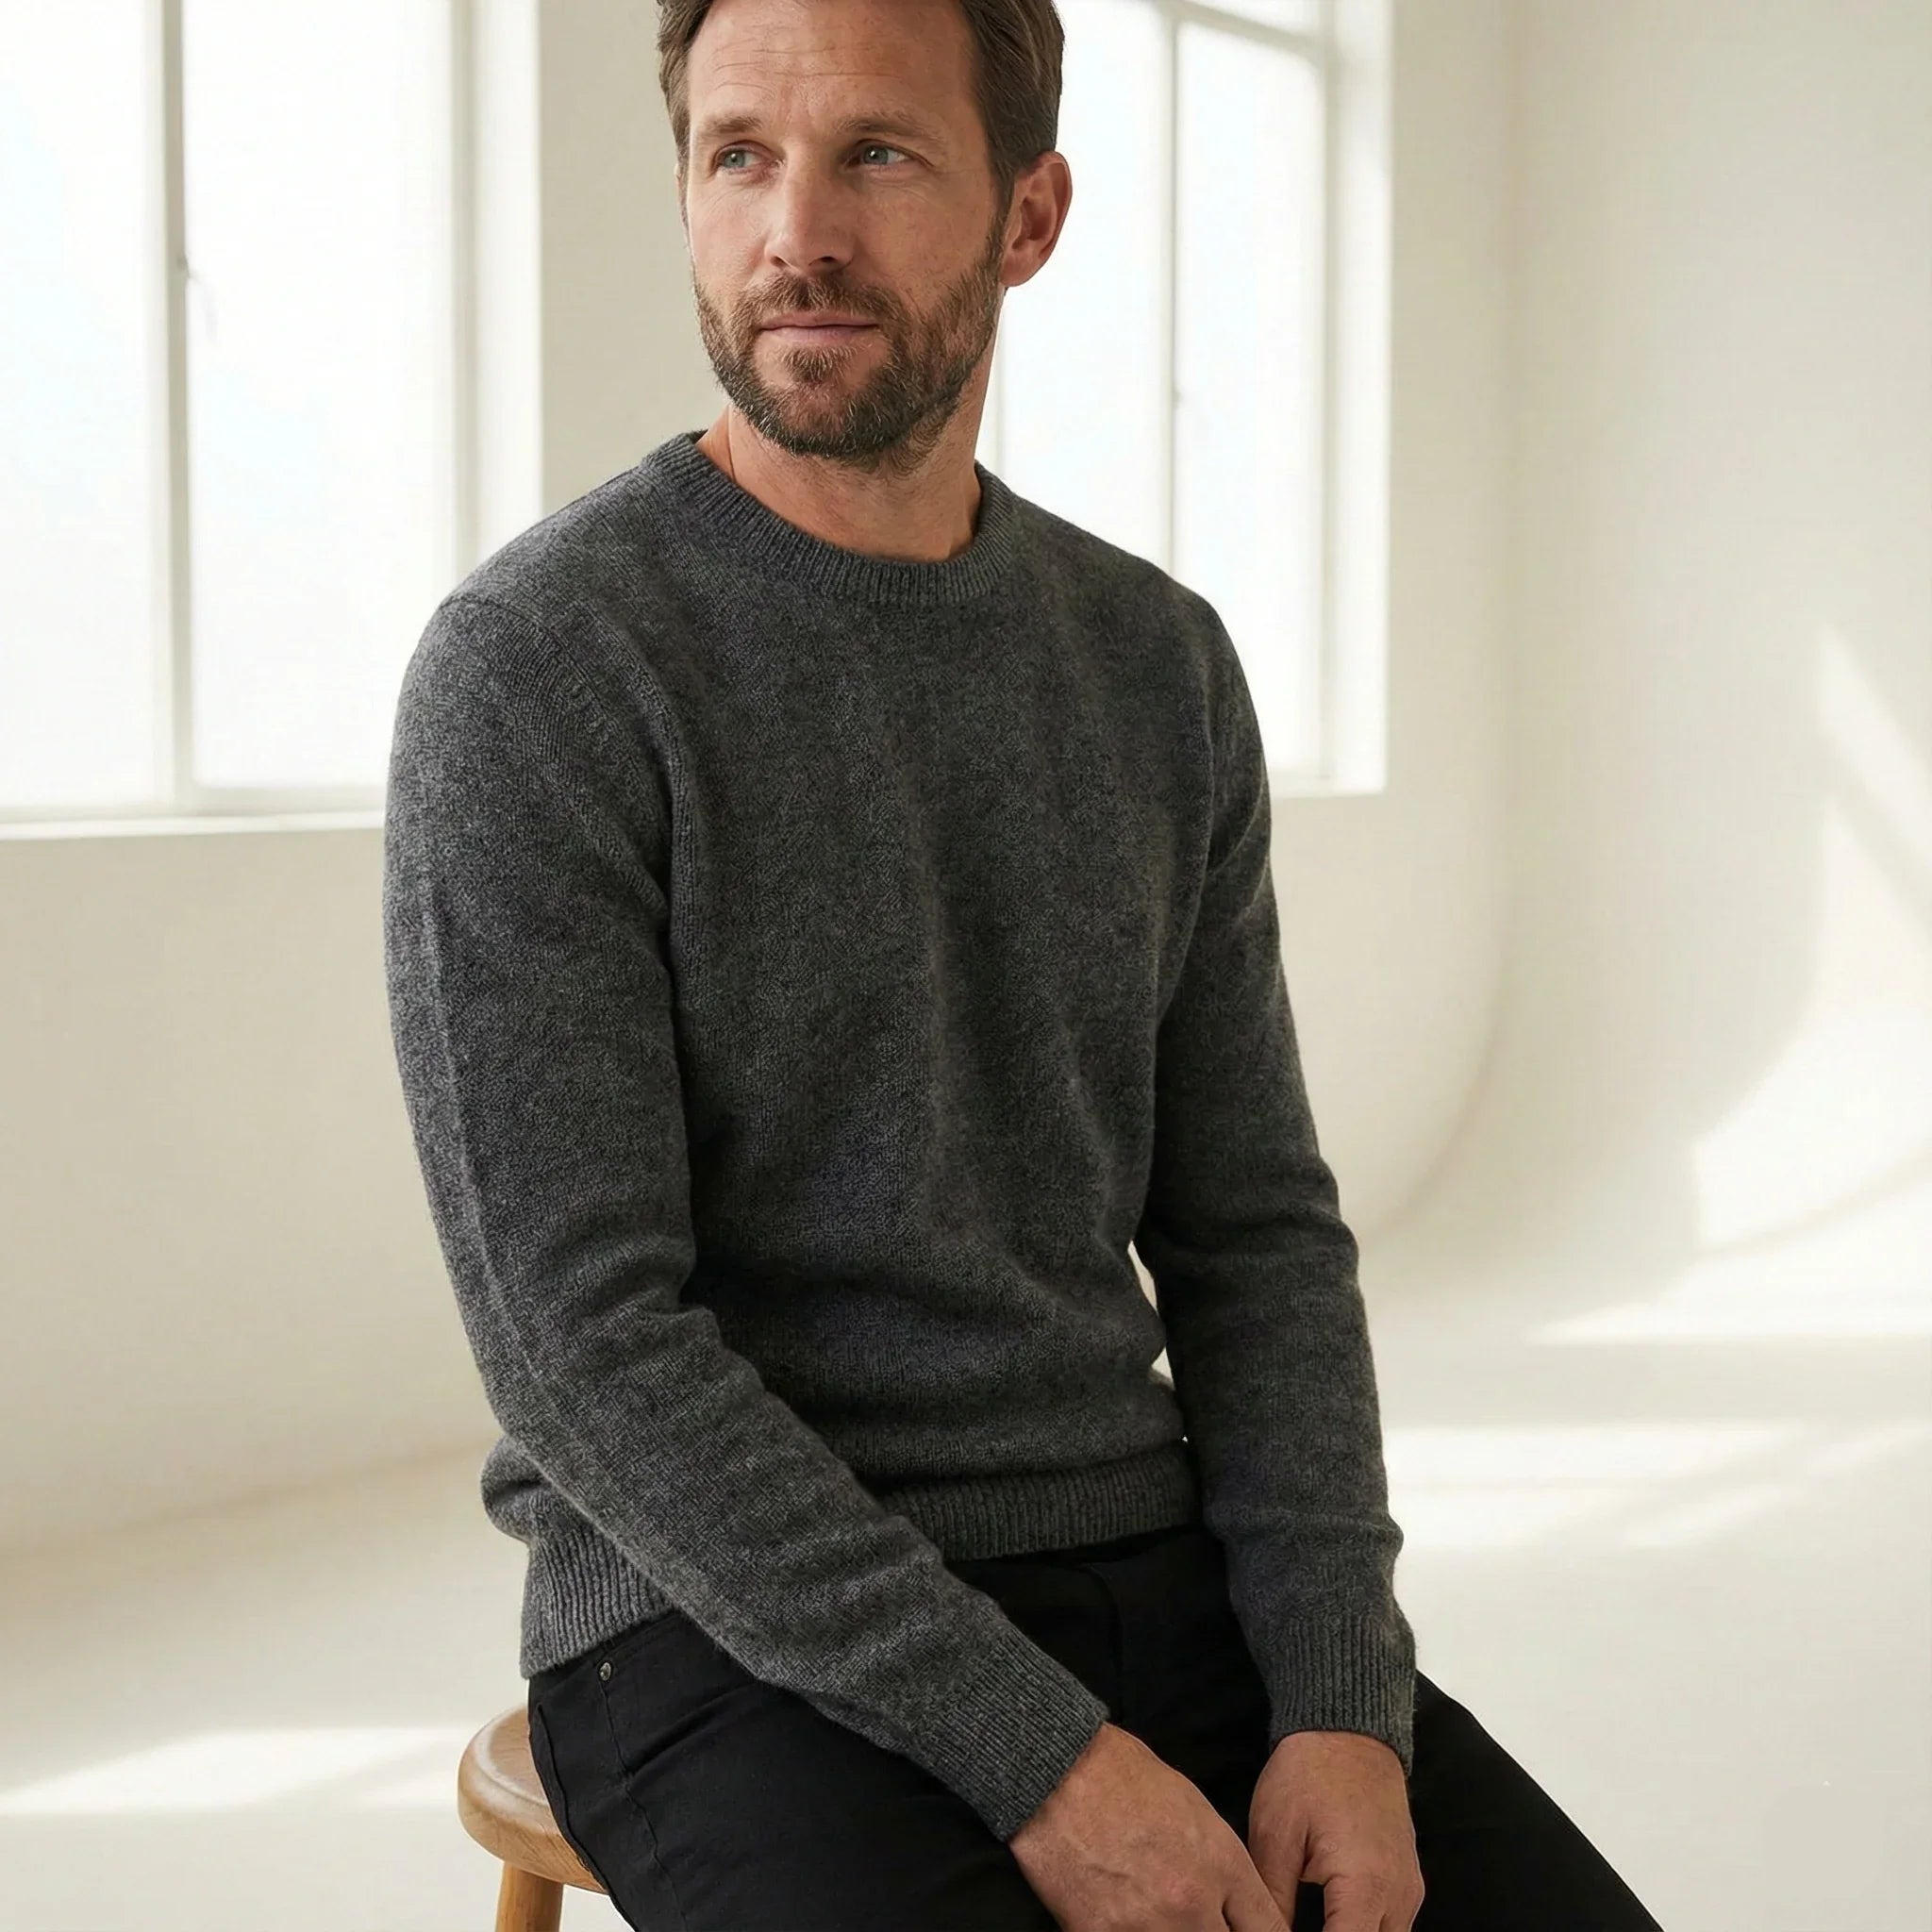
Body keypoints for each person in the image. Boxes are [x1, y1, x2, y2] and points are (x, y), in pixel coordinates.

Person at [380, 0, 1666, 1925]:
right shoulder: (542, 671)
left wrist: (1336, 1692)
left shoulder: (1154, 666)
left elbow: (1252, 1234)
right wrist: (1039, 1760)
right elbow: (585, 1349)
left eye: (877, 156)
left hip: (1154, 1573)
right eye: (738, 155)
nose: (792, 228)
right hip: (716, 1637)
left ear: (1029, 212)